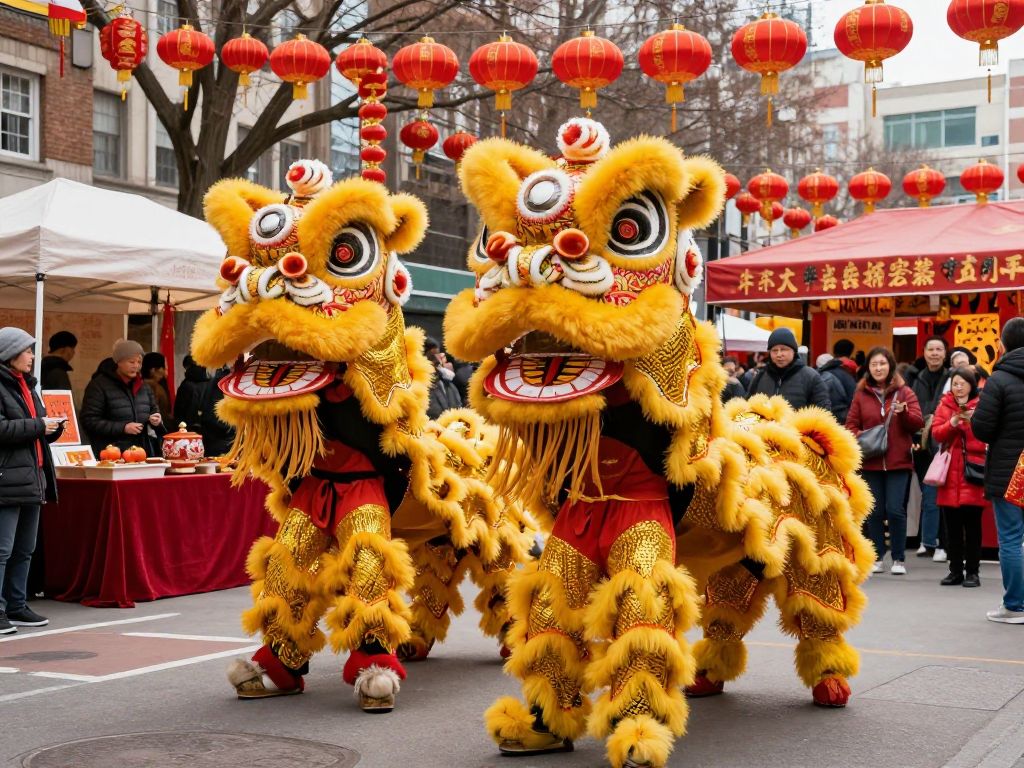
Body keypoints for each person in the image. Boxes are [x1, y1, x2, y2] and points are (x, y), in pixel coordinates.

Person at [0, 327, 64, 634]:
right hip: (7, 479)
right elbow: (3, 429)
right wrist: (39, 424)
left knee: (25, 548)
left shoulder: (28, 384)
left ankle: (16, 604)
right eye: (28, 351)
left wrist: (54, 427)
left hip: (33, 476)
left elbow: (36, 426)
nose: (32, 356)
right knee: (2, 549)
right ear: (11, 353)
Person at [846, 346, 924, 576]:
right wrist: (862, 437)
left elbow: (917, 422)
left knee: (895, 510)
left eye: (882, 363)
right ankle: (878, 556)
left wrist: (905, 413)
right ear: (868, 368)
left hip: (898, 460)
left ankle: (899, 558)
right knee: (875, 511)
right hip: (870, 460)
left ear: (890, 365)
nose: (878, 368)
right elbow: (850, 424)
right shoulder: (861, 394)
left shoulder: (905, 392)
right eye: (874, 364)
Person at [972, 317, 1024, 624]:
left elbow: (982, 428)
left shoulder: (1000, 379)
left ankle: (1015, 605)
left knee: (1011, 538)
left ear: (1003, 344)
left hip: (1010, 470)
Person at [930, 367, 986, 588]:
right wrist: (953, 422)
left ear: (972, 385)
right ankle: (955, 570)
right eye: (955, 383)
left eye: (963, 383)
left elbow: (983, 440)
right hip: (949, 473)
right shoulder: (945, 405)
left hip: (972, 471)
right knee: (951, 527)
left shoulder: (981, 406)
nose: (958, 387)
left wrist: (970, 423)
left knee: (973, 526)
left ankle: (973, 571)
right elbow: (937, 434)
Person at [81, 340, 165, 456]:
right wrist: (123, 428)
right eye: (131, 362)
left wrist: (157, 421)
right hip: (111, 453)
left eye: (139, 362)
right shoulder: (99, 386)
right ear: (118, 362)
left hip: (141, 452)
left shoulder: (144, 387)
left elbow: (154, 410)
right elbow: (89, 420)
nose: (136, 366)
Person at [911, 336, 950, 562]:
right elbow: (914, 409)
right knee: (928, 493)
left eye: (939, 349)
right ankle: (929, 540)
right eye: (931, 349)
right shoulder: (916, 378)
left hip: (945, 441)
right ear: (924, 353)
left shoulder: (951, 376)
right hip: (922, 444)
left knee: (944, 494)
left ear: (945, 353)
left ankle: (943, 543)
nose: (934, 353)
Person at [746, 327, 831, 411]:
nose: (779, 354)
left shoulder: (811, 377)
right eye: (774, 350)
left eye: (784, 349)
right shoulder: (760, 376)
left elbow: (823, 412)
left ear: (793, 351)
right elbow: (748, 408)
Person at [424, 338, 462, 419]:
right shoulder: (417, 390)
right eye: (431, 358)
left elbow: (459, 409)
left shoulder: (449, 385)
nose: (437, 361)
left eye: (438, 356)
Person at [173, 355, 209, 433]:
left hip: (188, 433)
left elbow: (178, 413)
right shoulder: (210, 384)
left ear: (188, 367)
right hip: (207, 433)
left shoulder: (185, 386)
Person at [816, 353, 852, 424]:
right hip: (847, 413)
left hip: (837, 415)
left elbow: (821, 398)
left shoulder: (827, 376)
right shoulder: (843, 372)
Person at [142, 352, 172, 426]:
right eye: (163, 368)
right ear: (153, 370)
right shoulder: (151, 387)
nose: (165, 372)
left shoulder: (155, 385)